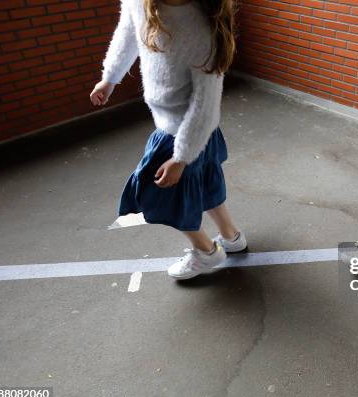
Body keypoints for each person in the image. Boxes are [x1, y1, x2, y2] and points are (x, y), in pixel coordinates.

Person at [89, 0, 247, 280]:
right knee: (206, 186)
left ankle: (207, 252)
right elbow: (128, 30)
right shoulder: (139, 3)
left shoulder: (202, 30)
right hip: (188, 132)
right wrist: (109, 78)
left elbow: (205, 108)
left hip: (184, 134)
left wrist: (180, 158)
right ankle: (232, 238)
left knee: (159, 196)